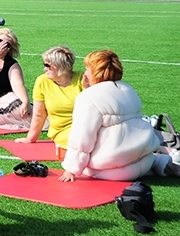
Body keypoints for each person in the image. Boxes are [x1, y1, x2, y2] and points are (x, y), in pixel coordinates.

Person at [59, 50, 180, 182]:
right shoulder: (128, 89)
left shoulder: (87, 97)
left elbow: (82, 136)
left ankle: (158, 162)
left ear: (96, 72)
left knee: (89, 167)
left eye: (87, 69)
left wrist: (71, 168)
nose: (85, 73)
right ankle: (161, 163)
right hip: (144, 160)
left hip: (113, 170)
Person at [15, 46, 83, 158]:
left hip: (87, 126)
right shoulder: (42, 81)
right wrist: (30, 139)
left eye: (47, 65)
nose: (44, 69)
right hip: (63, 130)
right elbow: (39, 114)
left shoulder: (82, 79)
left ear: (61, 67)